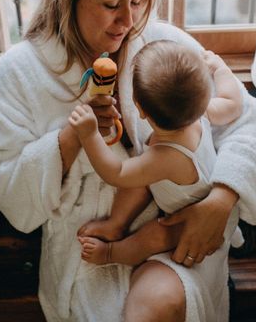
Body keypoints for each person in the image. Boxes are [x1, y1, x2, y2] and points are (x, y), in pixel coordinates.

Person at [0, 0, 256, 322]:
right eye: (111, 4)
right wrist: (72, 137)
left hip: (178, 234)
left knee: (163, 305)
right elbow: (10, 191)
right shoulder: (23, 70)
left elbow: (247, 124)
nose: (128, 20)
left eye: (138, 1)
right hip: (88, 251)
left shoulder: (165, 46)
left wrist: (221, 199)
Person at [70, 40, 243, 267]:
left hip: (188, 218)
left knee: (154, 234)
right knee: (140, 179)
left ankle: (112, 253)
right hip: (191, 188)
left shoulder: (164, 158)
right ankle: (116, 223)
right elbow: (234, 102)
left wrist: (89, 135)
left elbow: (117, 173)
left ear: (139, 109)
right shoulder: (203, 113)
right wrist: (220, 69)